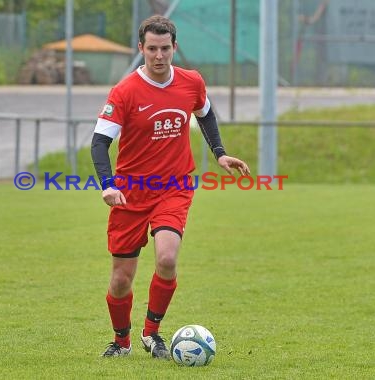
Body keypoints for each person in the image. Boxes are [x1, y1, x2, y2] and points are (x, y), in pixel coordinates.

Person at [91, 15, 249, 359]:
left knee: (166, 257)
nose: (159, 55)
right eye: (152, 49)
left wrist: (219, 154)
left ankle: (152, 334)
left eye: (165, 48)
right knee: (120, 280)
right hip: (130, 193)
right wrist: (107, 185)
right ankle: (121, 341)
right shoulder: (125, 91)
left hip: (173, 187)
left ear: (174, 47)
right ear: (141, 49)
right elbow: (99, 142)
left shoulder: (192, 82)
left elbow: (205, 113)